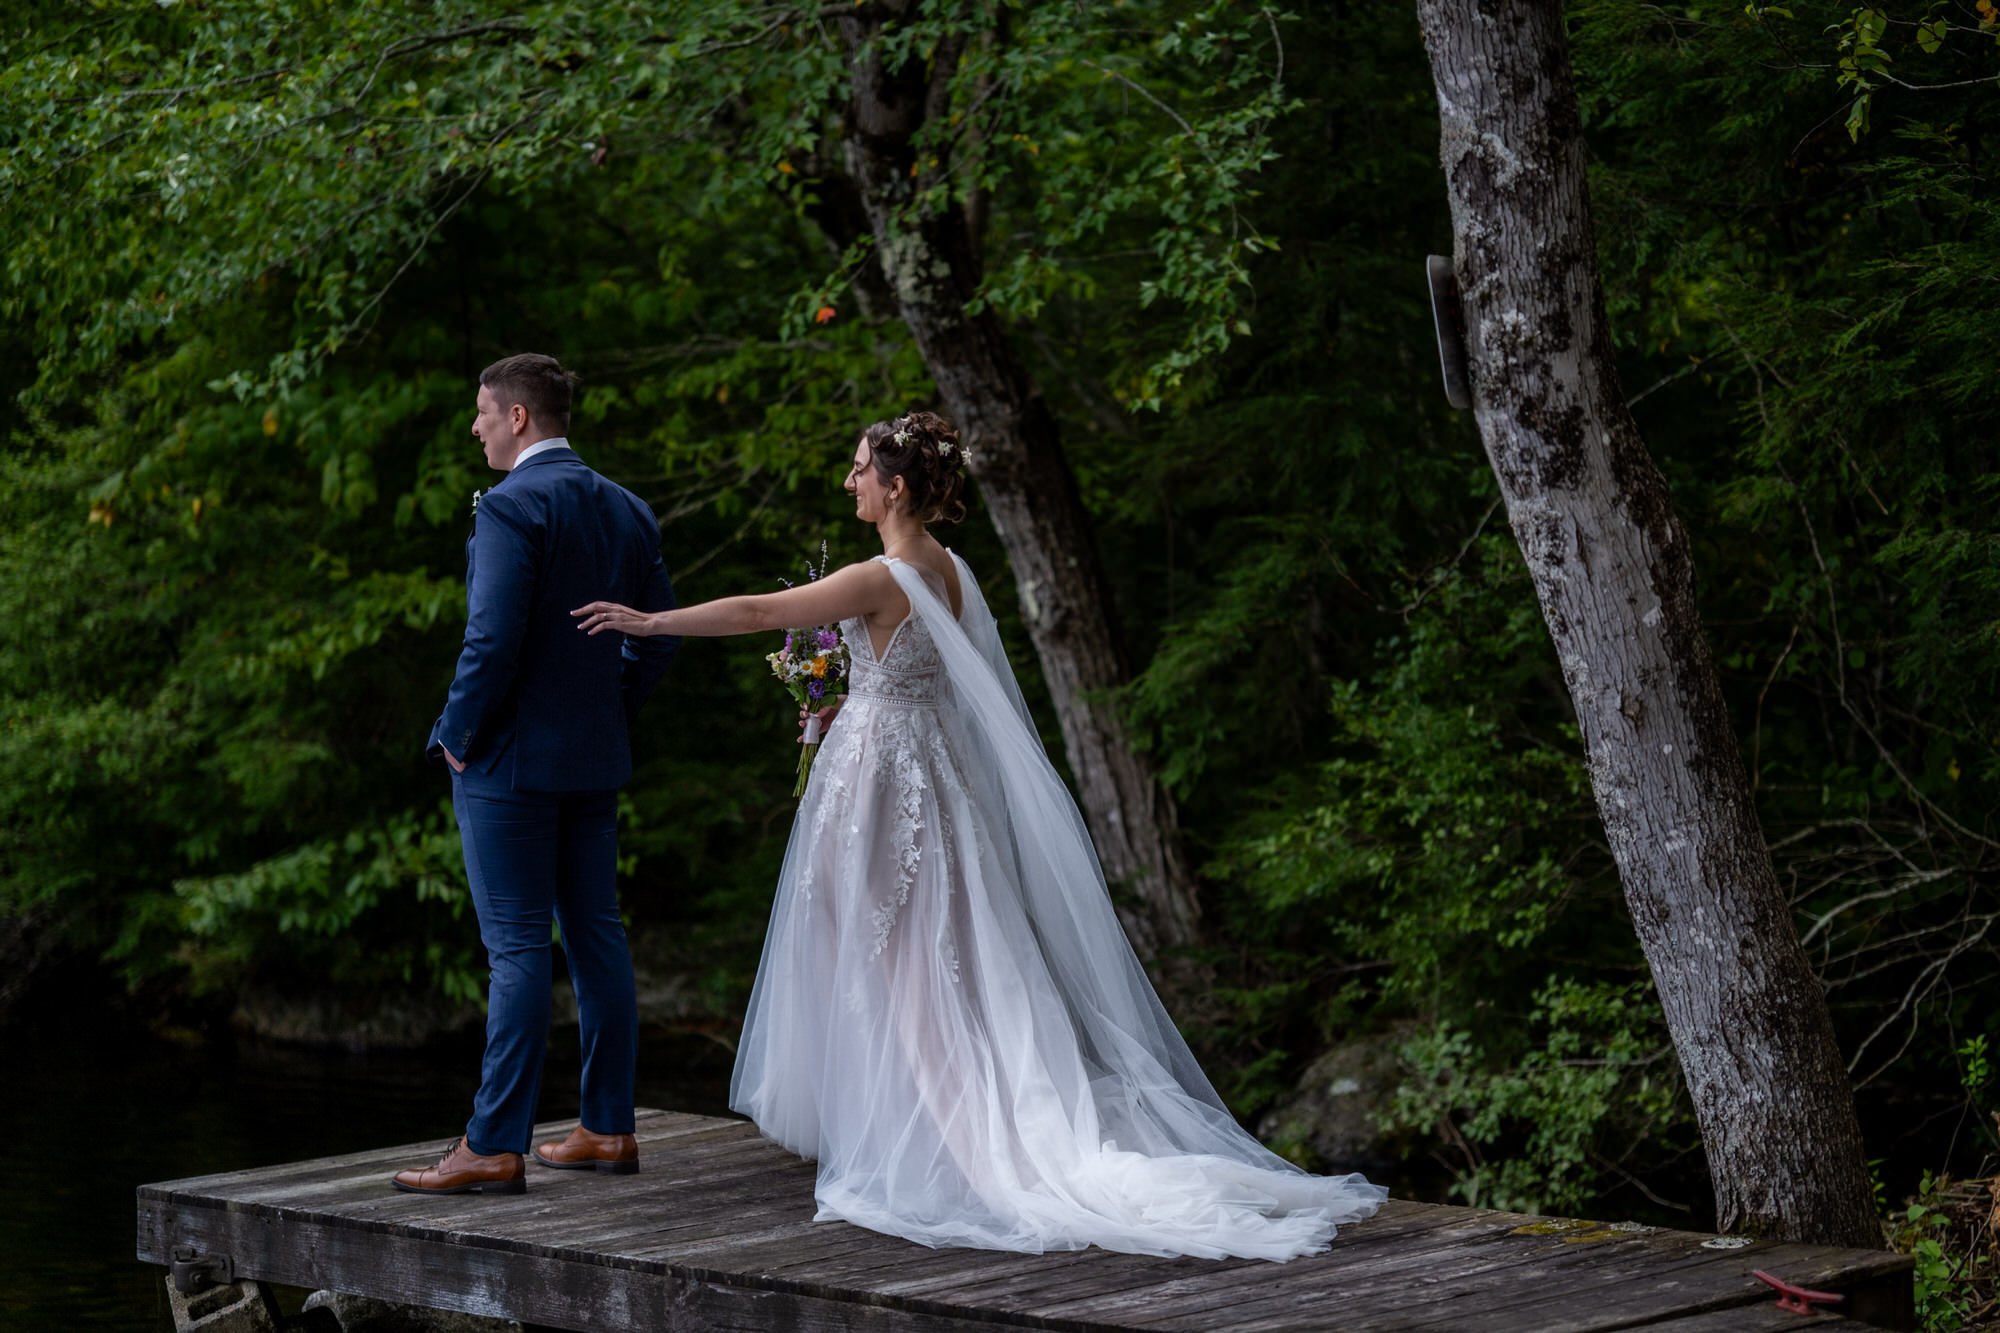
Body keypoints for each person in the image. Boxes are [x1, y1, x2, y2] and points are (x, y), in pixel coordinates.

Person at [573, 410, 1386, 1259]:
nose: (848, 481)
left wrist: (648, 622)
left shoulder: (883, 574)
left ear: (895, 486)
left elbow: (753, 611)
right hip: (928, 772)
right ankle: (939, 1124)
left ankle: (968, 1152)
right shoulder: (953, 568)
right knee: (933, 955)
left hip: (886, 781)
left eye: (859, 469)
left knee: (905, 966)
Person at [391, 354, 678, 1196]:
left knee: (516, 949)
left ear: (519, 418)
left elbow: (493, 641)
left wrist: (454, 733)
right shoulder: (626, 507)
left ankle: (491, 1143)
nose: (474, 425)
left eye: (482, 411)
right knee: (597, 935)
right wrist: (611, 713)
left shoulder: (514, 507)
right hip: (591, 760)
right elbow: (656, 635)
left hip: (507, 763)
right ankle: (608, 1127)